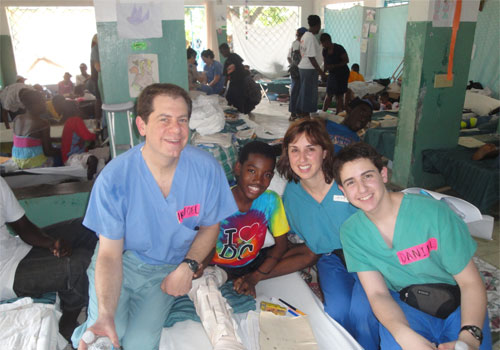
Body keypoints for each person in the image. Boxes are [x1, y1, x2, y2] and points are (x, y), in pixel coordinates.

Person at [71, 83, 237, 350]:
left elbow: (210, 226)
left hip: (165, 271)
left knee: (139, 343)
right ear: (142, 125)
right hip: (122, 261)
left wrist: (188, 267)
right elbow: (110, 255)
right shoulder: (114, 179)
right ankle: (86, 330)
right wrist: (105, 316)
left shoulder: (206, 170)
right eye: (164, 120)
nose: (176, 129)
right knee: (108, 333)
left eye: (182, 120)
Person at [333, 142, 492, 350]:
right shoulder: (352, 233)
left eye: (368, 176)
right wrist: (402, 333)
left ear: (383, 174)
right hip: (409, 303)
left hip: (458, 300)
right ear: (342, 190)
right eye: (351, 182)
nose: (361, 188)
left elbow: (470, 282)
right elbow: (378, 294)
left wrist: (470, 336)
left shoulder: (434, 214)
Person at [272, 118, 378, 349]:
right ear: (287, 154)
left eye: (310, 149)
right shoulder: (292, 196)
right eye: (295, 150)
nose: (302, 159)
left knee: (363, 313)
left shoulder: (345, 181)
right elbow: (310, 245)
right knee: (336, 312)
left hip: (369, 255)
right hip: (332, 259)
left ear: (324, 152)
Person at [0, 176, 98, 341]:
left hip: (15, 249)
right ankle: (67, 323)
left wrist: (51, 243)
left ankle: (111, 293)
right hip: (5, 276)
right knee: (79, 264)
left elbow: (22, 226)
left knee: (90, 227)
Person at [207, 141, 289, 297]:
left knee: (309, 253)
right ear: (238, 168)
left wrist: (255, 277)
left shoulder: (271, 200)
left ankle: (247, 279)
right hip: (219, 266)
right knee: (204, 281)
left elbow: (281, 246)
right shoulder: (218, 200)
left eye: (267, 175)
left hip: (253, 263)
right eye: (252, 171)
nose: (258, 180)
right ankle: (233, 280)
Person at [12, 89, 61, 169]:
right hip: (34, 163)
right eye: (42, 102)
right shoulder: (42, 123)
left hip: (17, 161)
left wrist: (54, 140)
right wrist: (63, 149)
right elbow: (48, 152)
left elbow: (28, 140)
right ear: (34, 104)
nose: (45, 105)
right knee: (61, 154)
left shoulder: (17, 119)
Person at [296, 15, 326, 117]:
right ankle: (305, 114)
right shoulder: (310, 38)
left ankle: (302, 112)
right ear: (317, 25)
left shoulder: (305, 36)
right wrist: (321, 72)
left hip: (305, 68)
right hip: (309, 69)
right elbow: (311, 57)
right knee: (309, 93)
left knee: (305, 91)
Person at [219, 43, 261, 114]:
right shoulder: (235, 56)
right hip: (241, 81)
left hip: (239, 82)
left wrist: (224, 87)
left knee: (234, 98)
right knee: (234, 98)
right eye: (222, 52)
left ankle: (237, 114)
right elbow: (241, 67)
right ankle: (239, 113)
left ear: (228, 49)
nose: (223, 53)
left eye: (223, 51)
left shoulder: (229, 61)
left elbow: (227, 76)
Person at [320, 33, 349, 114]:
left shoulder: (339, 48)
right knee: (329, 93)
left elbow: (346, 60)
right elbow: (325, 63)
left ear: (328, 41)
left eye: (323, 43)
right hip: (332, 74)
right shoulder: (325, 51)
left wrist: (335, 66)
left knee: (339, 94)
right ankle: (323, 112)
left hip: (342, 73)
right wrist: (323, 73)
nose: (322, 45)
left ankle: (338, 112)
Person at [288, 27, 307, 121]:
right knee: (295, 92)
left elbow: (289, 58)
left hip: (297, 70)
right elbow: (296, 58)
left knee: (298, 92)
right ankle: (293, 113)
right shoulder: (297, 44)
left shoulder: (299, 43)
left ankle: (297, 112)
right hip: (297, 71)